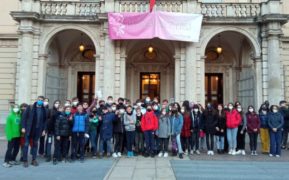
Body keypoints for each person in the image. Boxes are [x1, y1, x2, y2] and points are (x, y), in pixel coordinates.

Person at [21, 96, 47, 167]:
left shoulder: (44, 109)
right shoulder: (30, 107)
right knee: (26, 144)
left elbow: (45, 121)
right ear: (36, 100)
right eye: (39, 100)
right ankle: (25, 160)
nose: (40, 101)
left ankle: (34, 160)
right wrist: (23, 127)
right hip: (29, 129)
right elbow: (24, 117)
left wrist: (44, 130)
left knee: (35, 145)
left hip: (38, 130)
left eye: (42, 100)